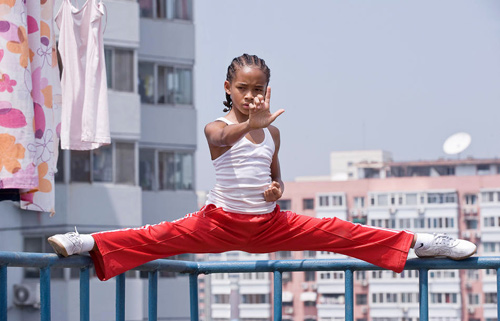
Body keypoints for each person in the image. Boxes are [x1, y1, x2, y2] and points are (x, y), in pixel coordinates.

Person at [48, 54, 476, 281]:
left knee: (338, 230)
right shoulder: (218, 126)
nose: (250, 96)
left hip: (269, 225)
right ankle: (84, 241)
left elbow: (275, 178)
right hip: (218, 222)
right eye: (242, 89)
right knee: (155, 236)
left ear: (267, 90)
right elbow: (219, 142)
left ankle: (420, 242)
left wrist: (276, 190)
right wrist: (247, 124)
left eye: (258, 89)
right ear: (228, 89)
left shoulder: (272, 134)